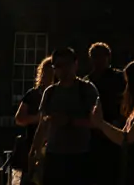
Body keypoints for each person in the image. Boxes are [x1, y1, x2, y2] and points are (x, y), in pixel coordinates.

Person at [38, 47, 100, 185]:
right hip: (53, 156)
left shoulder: (87, 89)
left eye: (67, 64)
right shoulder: (50, 92)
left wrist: (70, 121)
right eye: (59, 66)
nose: (64, 70)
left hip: (80, 155)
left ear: (75, 64)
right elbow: (42, 125)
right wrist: (35, 151)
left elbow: (97, 122)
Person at [84, 43, 126, 185]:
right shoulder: (87, 82)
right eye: (95, 57)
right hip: (92, 135)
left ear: (108, 57)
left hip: (113, 131)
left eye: (102, 56)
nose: (98, 60)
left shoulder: (119, 78)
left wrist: (120, 121)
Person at [15, 57, 56, 185]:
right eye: (46, 72)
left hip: (56, 149)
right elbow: (19, 118)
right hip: (33, 146)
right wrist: (38, 118)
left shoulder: (61, 94)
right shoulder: (32, 94)